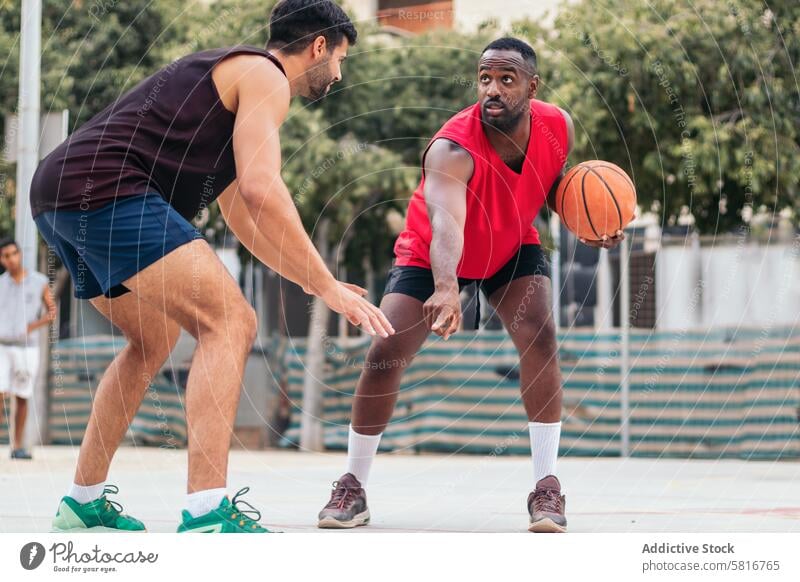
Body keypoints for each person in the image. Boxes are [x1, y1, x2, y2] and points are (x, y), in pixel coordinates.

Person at [31, 0, 394, 534]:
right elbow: (264, 191)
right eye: (340, 58)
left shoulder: (231, 83)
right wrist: (326, 287)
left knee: (151, 340)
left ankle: (81, 503)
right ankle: (206, 511)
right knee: (231, 321)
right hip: (110, 191)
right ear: (319, 46)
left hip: (59, 193)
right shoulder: (264, 75)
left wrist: (316, 282)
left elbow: (244, 215)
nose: (338, 73)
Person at [317, 37, 623, 533]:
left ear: (532, 85)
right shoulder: (452, 146)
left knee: (540, 337)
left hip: (510, 246)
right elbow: (446, 225)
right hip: (433, 253)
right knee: (384, 352)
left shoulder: (557, 126)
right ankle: (353, 483)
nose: (493, 89)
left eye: (507, 79)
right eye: (485, 78)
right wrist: (445, 286)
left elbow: (553, 187)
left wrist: (592, 223)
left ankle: (546, 487)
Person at [0, 238, 55, 460]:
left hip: (27, 348)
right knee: (0, 393)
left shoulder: (39, 281)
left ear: (20, 254)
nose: (11, 259)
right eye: (6, 256)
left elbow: (52, 312)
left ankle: (17, 446)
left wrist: (31, 326)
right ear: (1, 259)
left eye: (14, 253)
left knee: (21, 396)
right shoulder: (1, 284)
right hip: (2, 345)